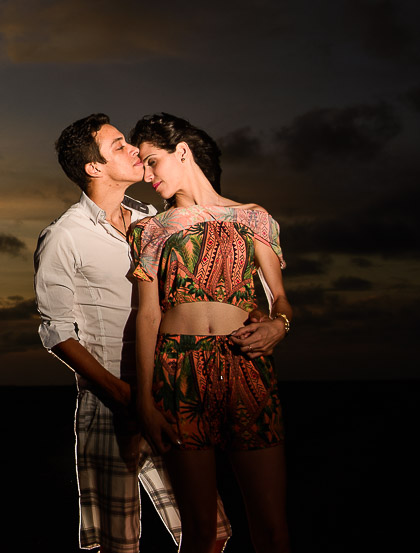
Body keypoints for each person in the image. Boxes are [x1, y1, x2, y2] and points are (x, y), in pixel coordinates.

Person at [35, 113, 231, 553]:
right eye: (119, 145)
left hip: (166, 392)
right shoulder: (64, 236)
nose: (133, 150)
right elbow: (56, 332)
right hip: (110, 401)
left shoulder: (151, 217)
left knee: (211, 531)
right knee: (118, 545)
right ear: (94, 167)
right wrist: (121, 394)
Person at [127, 113, 292, 553]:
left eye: (151, 161)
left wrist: (280, 325)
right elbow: (147, 315)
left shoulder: (253, 217)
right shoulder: (150, 229)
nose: (146, 176)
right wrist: (144, 401)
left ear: (182, 151)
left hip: (246, 367)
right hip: (177, 372)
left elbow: (280, 299)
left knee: (272, 530)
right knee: (201, 531)